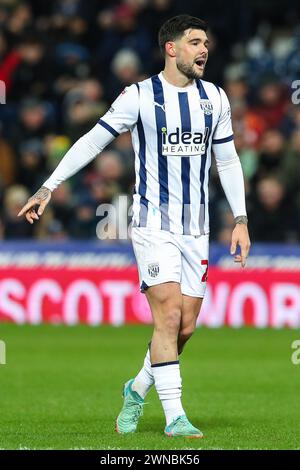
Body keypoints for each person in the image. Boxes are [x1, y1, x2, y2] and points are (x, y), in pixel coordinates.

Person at [18, 15, 251, 438]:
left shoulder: (215, 98)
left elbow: (228, 160)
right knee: (167, 316)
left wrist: (240, 219)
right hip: (152, 223)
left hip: (196, 225)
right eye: (195, 42)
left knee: (185, 327)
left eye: (206, 43)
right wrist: (48, 186)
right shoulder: (139, 96)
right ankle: (175, 417)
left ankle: (138, 386)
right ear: (171, 48)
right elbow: (93, 140)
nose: (204, 50)